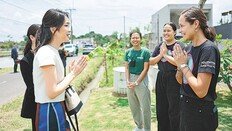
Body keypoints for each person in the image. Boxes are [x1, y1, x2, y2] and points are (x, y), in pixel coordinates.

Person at [33, 9, 87, 130]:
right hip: (50, 109)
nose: (70, 29)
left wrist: (71, 73)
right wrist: (73, 73)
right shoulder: (46, 53)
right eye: (66, 25)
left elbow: (55, 84)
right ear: (53, 29)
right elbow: (52, 92)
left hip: (55, 106)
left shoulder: (52, 51)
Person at [173, 7, 220, 131]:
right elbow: (180, 81)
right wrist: (179, 66)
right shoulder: (188, 49)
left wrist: (183, 65)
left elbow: (201, 91)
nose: (180, 30)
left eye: (182, 26)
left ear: (196, 24)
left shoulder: (208, 49)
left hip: (200, 115)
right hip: (186, 109)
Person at [150, 22, 184, 131]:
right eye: (164, 30)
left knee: (174, 108)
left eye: (168, 30)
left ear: (174, 32)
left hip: (174, 77)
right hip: (161, 77)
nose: (166, 33)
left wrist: (165, 55)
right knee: (161, 107)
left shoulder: (179, 45)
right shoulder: (160, 45)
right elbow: (151, 61)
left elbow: (180, 62)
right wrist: (160, 54)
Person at [124, 29, 151, 131]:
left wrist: (137, 82)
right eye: (133, 37)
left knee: (145, 107)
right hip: (130, 79)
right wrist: (127, 80)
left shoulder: (145, 52)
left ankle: (147, 129)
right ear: (130, 39)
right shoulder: (128, 52)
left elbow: (146, 69)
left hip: (141, 79)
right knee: (133, 106)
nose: (135, 39)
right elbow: (126, 68)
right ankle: (139, 126)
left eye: (137, 37)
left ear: (140, 39)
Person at [20, 24, 40, 131]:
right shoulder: (25, 61)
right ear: (32, 37)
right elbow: (31, 86)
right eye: (39, 35)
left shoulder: (45, 54)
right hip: (35, 103)